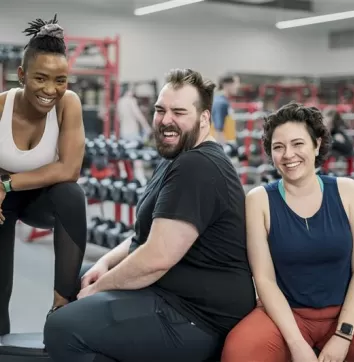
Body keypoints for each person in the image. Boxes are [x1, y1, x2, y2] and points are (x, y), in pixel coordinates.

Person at [43, 68, 256, 362]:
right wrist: (104, 263)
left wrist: (100, 288)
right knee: (76, 280)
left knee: (62, 328)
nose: (166, 120)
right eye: (160, 110)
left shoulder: (198, 166)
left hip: (197, 319)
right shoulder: (176, 157)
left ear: (204, 118)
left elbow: (155, 259)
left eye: (179, 112)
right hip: (170, 295)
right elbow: (142, 236)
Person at [221, 102, 354, 362]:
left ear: (317, 145)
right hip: (288, 314)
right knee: (238, 351)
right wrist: (296, 342)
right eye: (278, 147)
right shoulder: (259, 200)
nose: (288, 155)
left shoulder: (349, 191)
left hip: (349, 312)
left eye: (298, 144)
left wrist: (343, 335)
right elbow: (264, 280)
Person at [0, 15, 87, 336]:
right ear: (21, 75)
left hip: (39, 199)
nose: (50, 90)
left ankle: (61, 309)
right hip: (1, 204)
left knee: (71, 195)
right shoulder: (1, 107)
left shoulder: (69, 104)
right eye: (40, 78)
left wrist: (7, 183)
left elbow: (69, 169)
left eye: (60, 80)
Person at [211, 75, 239, 144]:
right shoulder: (221, 102)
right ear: (226, 85)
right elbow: (218, 130)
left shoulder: (223, 100)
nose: (238, 86)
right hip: (221, 145)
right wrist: (223, 150)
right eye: (236, 83)